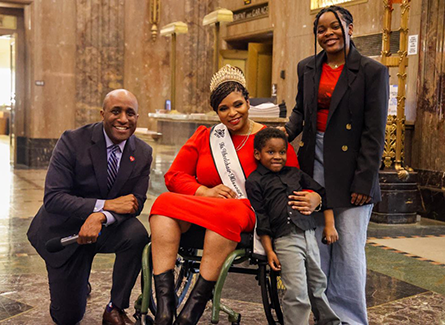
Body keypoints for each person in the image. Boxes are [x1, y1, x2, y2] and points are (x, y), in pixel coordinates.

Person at [149, 65, 322, 325]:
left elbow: (294, 180)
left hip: (247, 213)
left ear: (248, 102)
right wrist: (204, 191)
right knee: (163, 203)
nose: (232, 113)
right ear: (216, 111)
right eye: (223, 108)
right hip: (204, 208)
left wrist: (314, 198)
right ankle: (165, 306)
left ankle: (193, 307)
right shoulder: (206, 137)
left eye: (237, 104)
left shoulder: (270, 140)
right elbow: (174, 176)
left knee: (228, 212)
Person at [283, 5, 389, 325]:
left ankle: (351, 319)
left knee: (348, 248)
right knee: (317, 245)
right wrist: (279, 137)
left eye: (334, 26)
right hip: (313, 160)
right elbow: (301, 114)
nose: (327, 33)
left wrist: (363, 182)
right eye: (321, 29)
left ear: (350, 28)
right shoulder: (307, 68)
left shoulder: (372, 71)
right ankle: (325, 315)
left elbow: (375, 133)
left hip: (352, 163)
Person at [27, 89, 153, 325]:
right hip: (64, 232)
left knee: (137, 234)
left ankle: (115, 307)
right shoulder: (73, 141)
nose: (123, 119)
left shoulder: (143, 152)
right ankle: (75, 280)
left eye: (130, 113)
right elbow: (53, 198)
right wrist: (105, 205)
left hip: (104, 228)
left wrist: (101, 217)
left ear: (137, 117)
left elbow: (135, 203)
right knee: (67, 317)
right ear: (102, 113)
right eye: (116, 111)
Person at [246, 127, 340, 325]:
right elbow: (261, 217)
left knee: (318, 285)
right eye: (271, 152)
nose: (278, 157)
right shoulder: (255, 181)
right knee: (297, 291)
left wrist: (329, 226)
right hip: (285, 240)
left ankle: (329, 322)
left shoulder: (295, 174)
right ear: (258, 154)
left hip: (309, 235)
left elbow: (323, 194)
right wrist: (269, 250)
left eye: (282, 152)